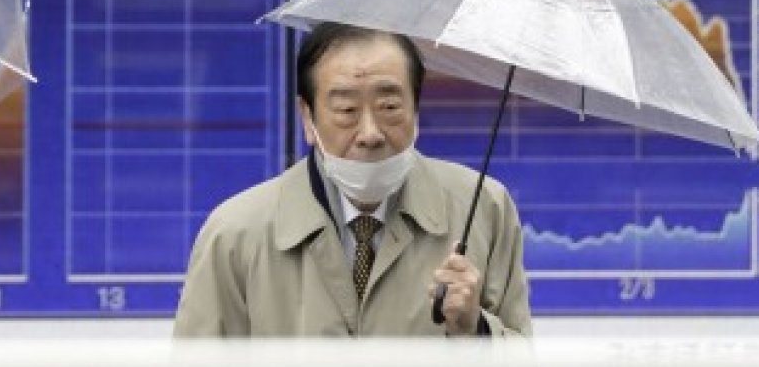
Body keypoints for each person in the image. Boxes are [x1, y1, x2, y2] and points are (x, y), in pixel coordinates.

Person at [174, 23, 531, 337]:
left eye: (389, 107)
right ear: (307, 117)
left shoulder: (483, 208)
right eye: (346, 110)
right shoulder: (235, 233)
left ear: (416, 108)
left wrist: (476, 331)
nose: (370, 134)